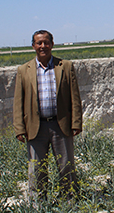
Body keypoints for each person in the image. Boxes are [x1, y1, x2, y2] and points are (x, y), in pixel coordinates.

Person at [13, 30, 83, 201]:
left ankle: (70, 201)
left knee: (66, 166)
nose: (42, 46)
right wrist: (19, 128)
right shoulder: (24, 70)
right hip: (35, 127)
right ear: (33, 46)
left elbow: (75, 97)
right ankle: (38, 205)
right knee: (36, 169)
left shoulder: (65, 66)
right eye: (39, 43)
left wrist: (76, 123)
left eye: (46, 42)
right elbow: (18, 102)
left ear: (52, 44)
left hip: (61, 125)